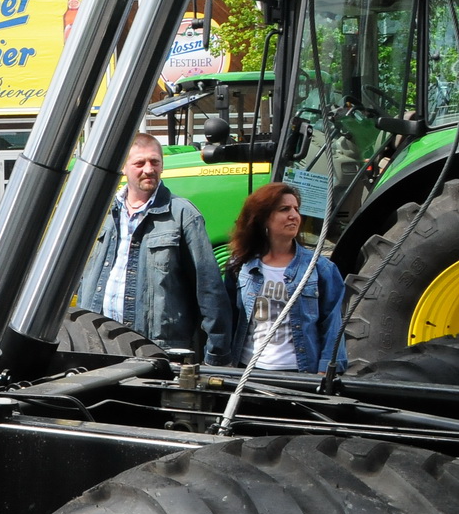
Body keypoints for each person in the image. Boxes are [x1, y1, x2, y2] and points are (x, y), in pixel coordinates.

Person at [77, 133, 231, 363]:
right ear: (124, 167)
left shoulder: (183, 215)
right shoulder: (105, 213)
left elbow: (210, 290)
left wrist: (217, 355)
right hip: (98, 345)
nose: (148, 169)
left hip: (155, 352)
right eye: (139, 163)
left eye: (155, 162)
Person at [225, 183, 345, 373]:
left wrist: (326, 370)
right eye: (284, 209)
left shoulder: (321, 268)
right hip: (248, 369)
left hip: (299, 373)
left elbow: (333, 325)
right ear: (263, 218)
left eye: (296, 209)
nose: (294, 215)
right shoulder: (241, 266)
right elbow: (227, 318)